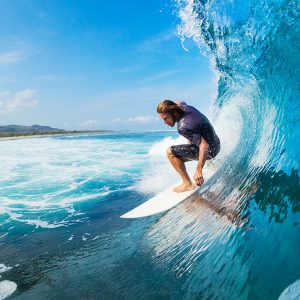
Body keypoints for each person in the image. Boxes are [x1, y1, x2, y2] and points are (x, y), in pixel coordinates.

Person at [157, 100, 220, 193]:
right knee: (191, 137)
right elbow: (180, 101)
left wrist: (199, 170)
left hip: (211, 151)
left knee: (170, 152)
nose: (165, 122)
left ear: (174, 112)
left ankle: (187, 184)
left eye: (166, 118)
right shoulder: (184, 107)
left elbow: (204, 145)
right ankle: (211, 163)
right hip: (216, 143)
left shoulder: (183, 127)